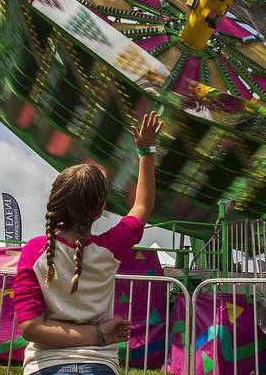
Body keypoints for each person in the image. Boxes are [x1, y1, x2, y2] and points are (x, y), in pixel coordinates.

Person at [14, 112, 163, 375]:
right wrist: (146, 150)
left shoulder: (34, 252)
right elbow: (142, 205)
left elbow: (30, 328)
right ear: (99, 210)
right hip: (100, 365)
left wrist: (98, 334)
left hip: (44, 366)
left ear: (54, 201)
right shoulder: (109, 249)